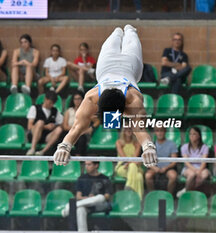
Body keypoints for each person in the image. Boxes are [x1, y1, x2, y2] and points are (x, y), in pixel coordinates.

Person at [53, 25, 158, 168]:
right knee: (116, 33)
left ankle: (129, 30)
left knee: (130, 33)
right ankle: (119, 31)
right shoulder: (91, 98)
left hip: (129, 65)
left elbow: (139, 129)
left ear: (124, 109)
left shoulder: (133, 100)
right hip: (108, 65)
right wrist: (64, 145)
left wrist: (148, 146)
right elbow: (77, 127)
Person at [61, 161, 112, 232]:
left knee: (100, 197)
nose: (86, 167)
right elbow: (78, 196)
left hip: (100, 204)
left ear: (96, 165)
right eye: (85, 165)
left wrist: (94, 198)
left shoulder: (105, 178)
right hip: (86, 205)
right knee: (80, 209)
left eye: (89, 164)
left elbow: (107, 196)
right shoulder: (81, 178)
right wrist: (88, 199)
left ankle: (70, 207)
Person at [62, 91, 100, 156]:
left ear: (82, 100)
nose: (77, 101)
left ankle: (78, 157)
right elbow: (65, 126)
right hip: (69, 132)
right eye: (75, 99)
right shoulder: (68, 111)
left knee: (81, 138)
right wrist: (76, 129)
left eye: (79, 99)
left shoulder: (87, 111)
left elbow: (97, 121)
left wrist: (91, 128)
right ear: (73, 100)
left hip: (81, 134)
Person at [26, 90, 63, 155]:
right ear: (45, 99)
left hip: (47, 136)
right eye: (50, 103)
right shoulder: (34, 108)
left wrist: (54, 126)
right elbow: (29, 126)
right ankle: (32, 148)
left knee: (59, 129)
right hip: (34, 134)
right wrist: (45, 127)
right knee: (40, 122)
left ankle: (43, 151)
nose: (51, 105)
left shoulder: (55, 111)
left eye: (52, 103)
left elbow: (61, 123)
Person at [176, 127, 210, 198]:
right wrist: (195, 170)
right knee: (192, 175)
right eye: (190, 134)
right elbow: (186, 162)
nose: (192, 136)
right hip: (188, 168)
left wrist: (199, 171)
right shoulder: (184, 147)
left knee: (205, 174)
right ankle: (189, 193)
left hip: (201, 168)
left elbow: (204, 162)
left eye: (194, 134)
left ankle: (186, 190)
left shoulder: (205, 147)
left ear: (199, 136)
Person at [145, 126, 178, 195]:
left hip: (168, 168)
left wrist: (166, 168)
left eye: (161, 131)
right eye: (157, 131)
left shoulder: (172, 144)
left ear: (165, 131)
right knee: (148, 176)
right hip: (155, 168)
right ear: (155, 133)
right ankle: (153, 195)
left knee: (173, 176)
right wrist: (154, 168)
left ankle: (169, 195)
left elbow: (174, 161)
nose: (159, 133)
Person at [115, 127, 144, 199]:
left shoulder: (137, 143)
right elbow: (124, 158)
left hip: (134, 166)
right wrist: (131, 162)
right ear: (123, 131)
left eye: (130, 129)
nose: (128, 131)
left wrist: (131, 163)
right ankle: (138, 199)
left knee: (139, 176)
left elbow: (134, 157)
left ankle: (129, 187)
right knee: (135, 170)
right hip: (122, 167)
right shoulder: (118, 142)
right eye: (126, 129)